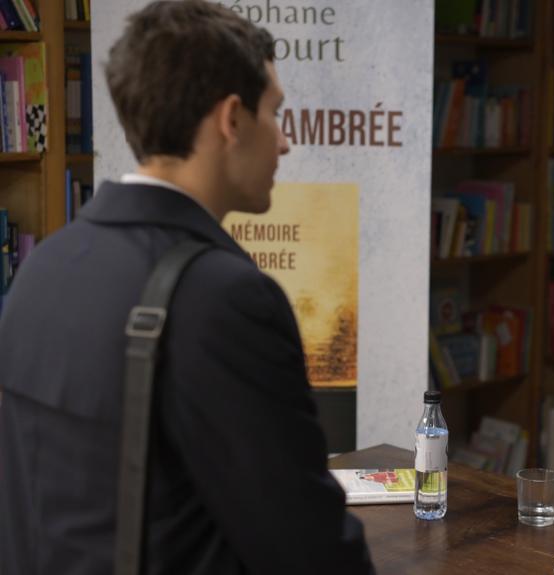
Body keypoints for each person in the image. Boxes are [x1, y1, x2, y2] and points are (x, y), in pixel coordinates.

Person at [0, 2, 374, 573]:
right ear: (231, 119)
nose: (285, 142)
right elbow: (309, 550)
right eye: (275, 112)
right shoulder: (226, 297)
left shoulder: (42, 267)